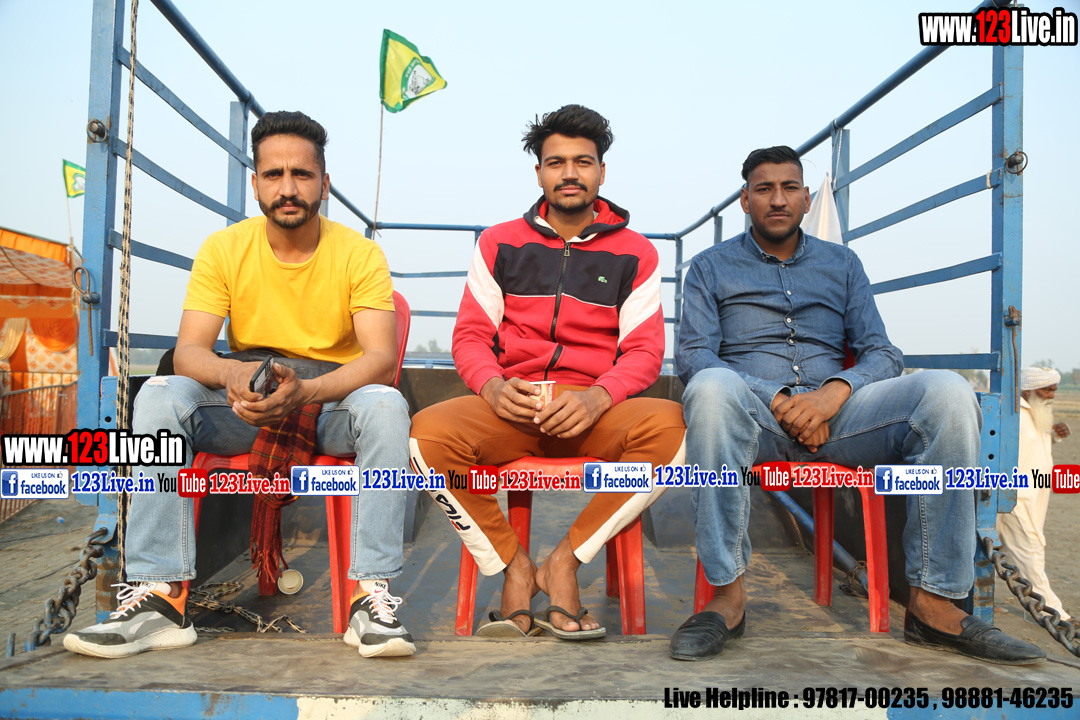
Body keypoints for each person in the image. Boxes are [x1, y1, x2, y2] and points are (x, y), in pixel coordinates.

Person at [671, 145, 1044, 665]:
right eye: (764, 189)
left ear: (806, 198)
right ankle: (727, 597)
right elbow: (694, 356)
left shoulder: (842, 264)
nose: (777, 200)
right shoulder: (710, 267)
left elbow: (882, 352)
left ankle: (934, 604)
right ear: (744, 200)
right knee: (710, 387)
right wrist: (778, 399)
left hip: (842, 417)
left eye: (789, 188)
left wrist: (834, 394)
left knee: (948, 393)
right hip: (754, 419)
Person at [64, 111, 415, 659]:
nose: (288, 188)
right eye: (274, 174)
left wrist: (306, 392)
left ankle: (370, 597)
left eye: (302, 174)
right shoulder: (224, 248)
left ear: (324, 183)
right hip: (246, 392)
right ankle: (161, 599)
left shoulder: (359, 253)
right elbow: (189, 351)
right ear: (255, 184)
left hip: (329, 401)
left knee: (387, 405)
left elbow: (379, 359)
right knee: (159, 395)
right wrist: (232, 375)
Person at [409, 104, 685, 639]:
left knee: (673, 430)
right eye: (556, 162)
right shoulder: (498, 243)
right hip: (513, 406)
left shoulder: (637, 253)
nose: (570, 173)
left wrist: (598, 397)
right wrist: (492, 387)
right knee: (426, 437)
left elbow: (644, 352)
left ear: (602, 172)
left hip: (594, 409)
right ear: (539, 173)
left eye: (583, 162)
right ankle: (514, 567)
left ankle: (564, 563)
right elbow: (470, 337)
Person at [997, 366, 1072, 621]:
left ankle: (974, 602)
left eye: (1054, 390)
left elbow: (1031, 447)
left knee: (990, 550)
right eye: (1046, 390)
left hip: (1035, 494)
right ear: (1027, 390)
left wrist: (1053, 436)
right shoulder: (1012, 414)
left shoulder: (1036, 412)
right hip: (1015, 497)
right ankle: (1053, 612)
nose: (1051, 395)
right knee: (1030, 548)